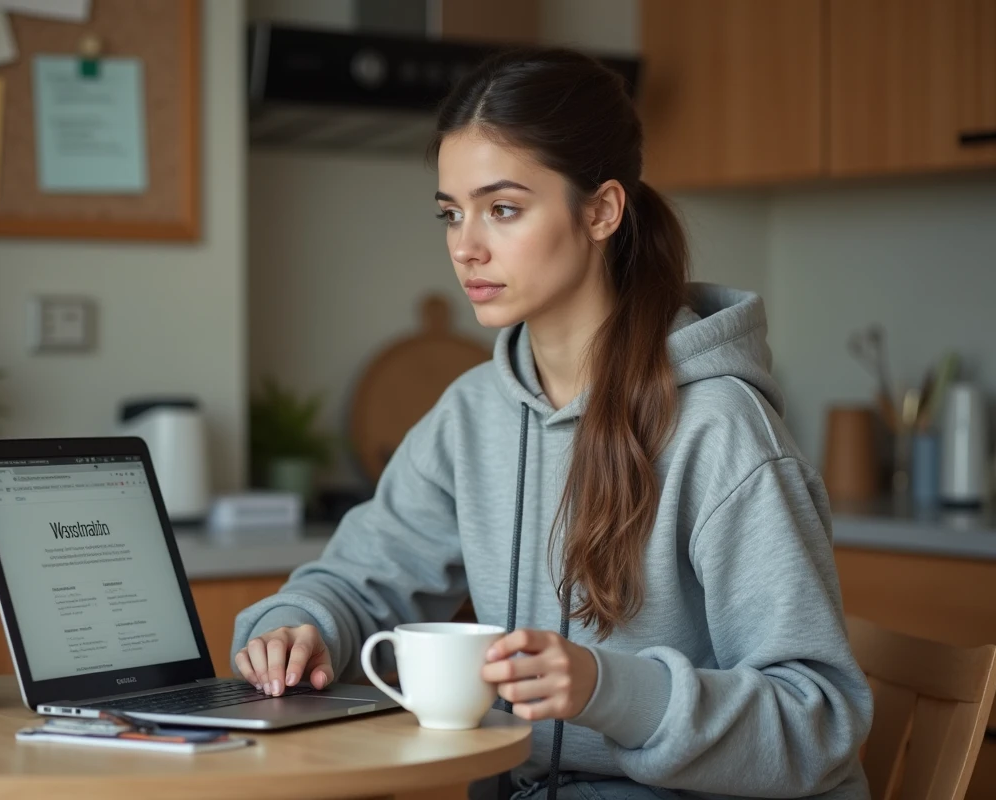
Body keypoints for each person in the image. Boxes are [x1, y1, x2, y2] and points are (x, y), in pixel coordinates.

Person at [231, 47, 872, 800]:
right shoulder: (472, 414)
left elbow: (818, 722)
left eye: (503, 209)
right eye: (451, 212)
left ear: (601, 210)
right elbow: (359, 586)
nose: (466, 246)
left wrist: (612, 689)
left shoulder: (720, 431)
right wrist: (301, 625)